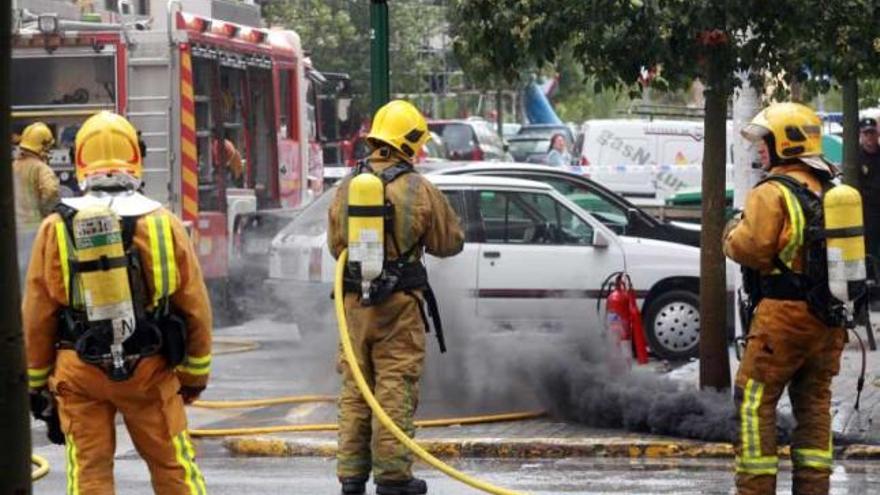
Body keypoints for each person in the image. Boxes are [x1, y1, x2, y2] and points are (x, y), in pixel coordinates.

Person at [24, 111, 213, 494]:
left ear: (79, 160)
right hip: (149, 366)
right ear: (136, 157)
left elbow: (38, 314)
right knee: (173, 466)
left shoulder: (55, 227)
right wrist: (193, 377)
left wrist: (36, 382)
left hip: (77, 367)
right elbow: (193, 306)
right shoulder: (164, 222)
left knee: (89, 470)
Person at [328, 100, 464, 495]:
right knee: (394, 386)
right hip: (399, 305)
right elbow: (449, 242)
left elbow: (337, 244)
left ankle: (351, 478)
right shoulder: (418, 188)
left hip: (353, 305)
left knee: (356, 389)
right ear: (408, 142)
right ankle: (393, 478)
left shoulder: (347, 185)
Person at [724, 102, 849, 495]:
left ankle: (755, 489)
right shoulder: (830, 188)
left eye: (765, 142)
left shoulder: (772, 192)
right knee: (813, 409)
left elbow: (752, 248)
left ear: (785, 143)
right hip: (828, 320)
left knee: (754, 402)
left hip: (783, 319)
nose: (761, 150)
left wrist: (730, 231)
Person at [13, 122, 60, 284]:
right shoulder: (41, 168)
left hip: (14, 231)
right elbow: (51, 191)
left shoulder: (12, 166)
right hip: (35, 231)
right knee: (34, 277)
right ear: (42, 146)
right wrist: (48, 213)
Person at [857, 117, 880, 307]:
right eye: (866, 133)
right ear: (860, 135)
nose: (869, 137)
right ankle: (871, 294)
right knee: (869, 253)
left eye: (872, 132)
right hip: (866, 213)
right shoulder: (856, 158)